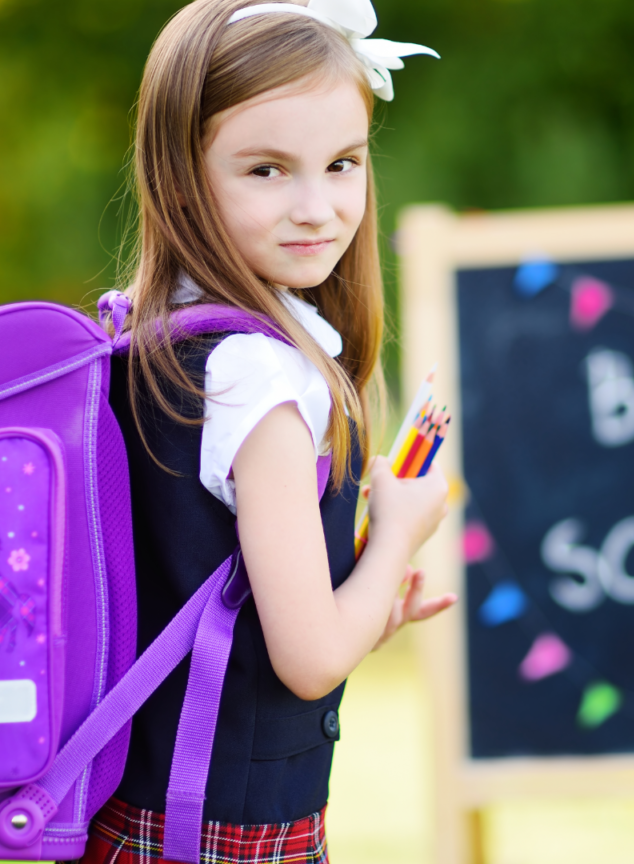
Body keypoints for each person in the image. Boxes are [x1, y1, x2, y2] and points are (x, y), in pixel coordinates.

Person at [81, 1, 451, 861]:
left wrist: (372, 613)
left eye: (343, 163)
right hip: (214, 836)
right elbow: (310, 659)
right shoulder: (257, 379)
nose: (317, 207)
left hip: (139, 819)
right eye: (267, 171)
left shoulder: (159, 333)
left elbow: (219, 597)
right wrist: (397, 533)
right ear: (183, 177)